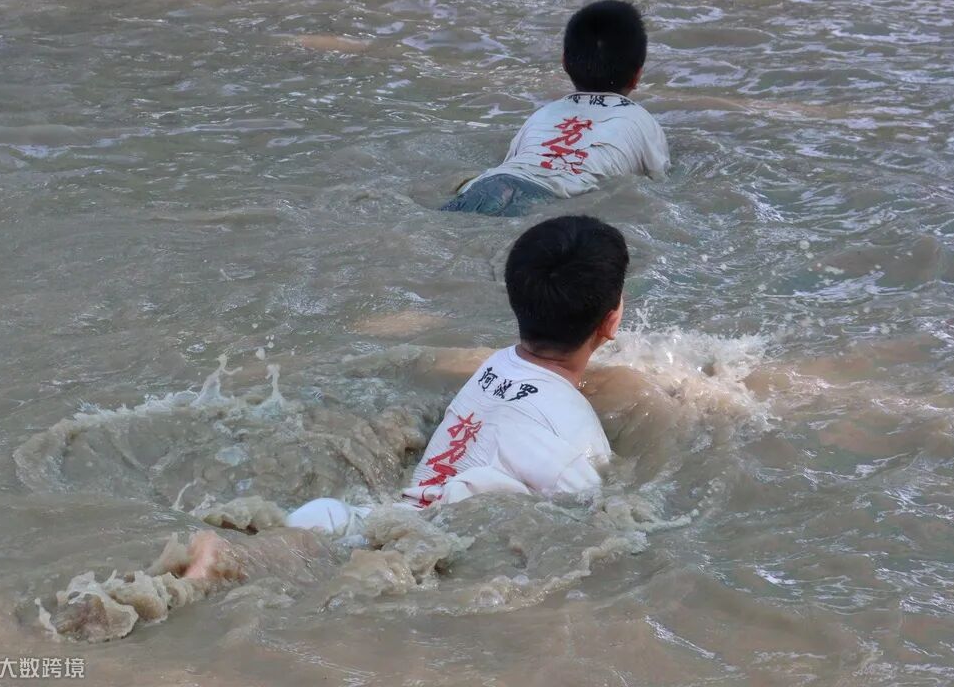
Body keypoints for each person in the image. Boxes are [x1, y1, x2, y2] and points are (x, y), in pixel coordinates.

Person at [185, 215, 628, 579]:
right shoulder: (579, 439)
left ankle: (230, 556)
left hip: (358, 517)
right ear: (610, 322)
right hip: (411, 552)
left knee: (298, 543)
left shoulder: (495, 366)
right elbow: (577, 530)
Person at [442, 0, 670, 217]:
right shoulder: (643, 122)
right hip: (555, 196)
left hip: (486, 184)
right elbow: (659, 183)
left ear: (564, 63)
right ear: (637, 75)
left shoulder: (543, 114)